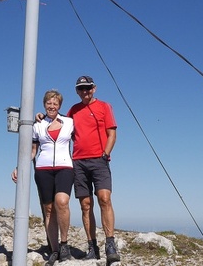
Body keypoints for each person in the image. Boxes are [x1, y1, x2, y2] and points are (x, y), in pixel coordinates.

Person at [12, 90, 74, 265]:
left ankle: (64, 244)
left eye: (55, 103)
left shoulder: (69, 122)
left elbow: (80, 141)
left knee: (61, 202)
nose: (52, 106)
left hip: (64, 167)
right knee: (48, 210)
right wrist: (19, 167)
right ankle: (54, 250)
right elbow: (32, 151)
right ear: (44, 104)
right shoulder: (37, 124)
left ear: (60, 106)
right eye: (49, 103)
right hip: (43, 169)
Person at [67, 75, 120, 264]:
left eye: (88, 88)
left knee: (104, 199)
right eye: (81, 89)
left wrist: (105, 155)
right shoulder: (73, 110)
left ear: (94, 88)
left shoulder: (105, 106)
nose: (85, 92)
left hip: (99, 160)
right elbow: (63, 128)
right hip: (79, 162)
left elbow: (112, 134)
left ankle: (110, 244)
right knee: (85, 205)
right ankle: (92, 247)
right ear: (77, 91)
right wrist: (41, 117)